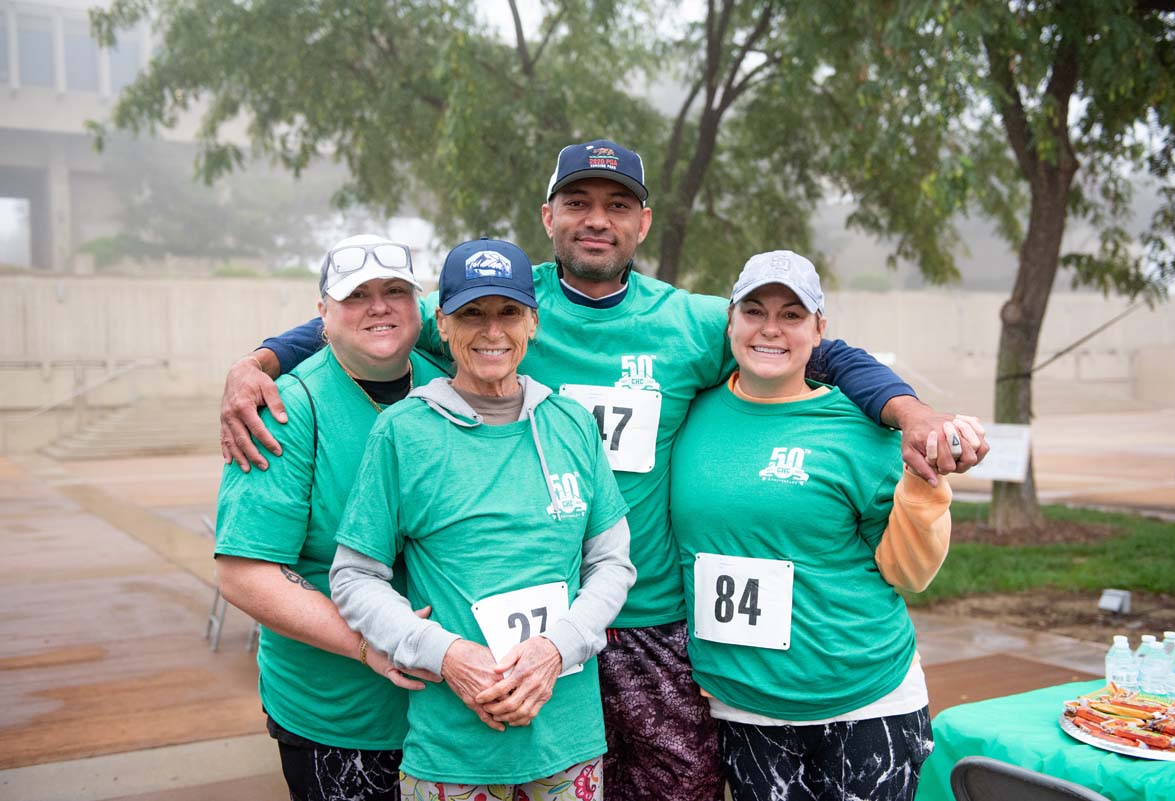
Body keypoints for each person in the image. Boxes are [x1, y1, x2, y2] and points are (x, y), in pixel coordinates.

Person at [219, 140, 988, 801]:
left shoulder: (693, 321)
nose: (597, 219)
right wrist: (260, 361)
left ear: (643, 222)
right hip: (513, 640)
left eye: (618, 204)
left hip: (650, 621)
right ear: (548, 215)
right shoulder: (502, 302)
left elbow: (815, 347)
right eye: (577, 202)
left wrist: (910, 413)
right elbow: (375, 320)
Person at [329, 237, 635, 799]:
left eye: (508, 312)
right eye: (472, 314)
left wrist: (556, 648)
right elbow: (354, 576)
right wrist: (444, 653)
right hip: (452, 750)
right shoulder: (403, 432)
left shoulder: (572, 424)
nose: (492, 331)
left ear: (532, 323)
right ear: (442, 324)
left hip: (568, 743)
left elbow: (612, 562)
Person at [671, 251, 968, 801]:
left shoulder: (861, 429)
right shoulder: (687, 413)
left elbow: (910, 573)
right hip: (743, 708)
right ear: (731, 322)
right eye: (755, 311)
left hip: (866, 701)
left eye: (792, 315)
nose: (771, 329)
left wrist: (925, 487)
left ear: (819, 330)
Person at [213, 234, 450, 801]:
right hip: (340, 716)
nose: (378, 307)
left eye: (395, 291)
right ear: (322, 312)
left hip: (452, 712)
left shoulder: (452, 382)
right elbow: (244, 573)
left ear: (419, 305)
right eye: (356, 295)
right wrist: (371, 644)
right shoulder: (284, 407)